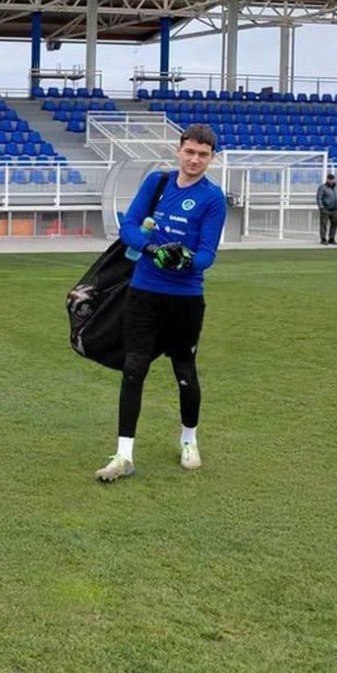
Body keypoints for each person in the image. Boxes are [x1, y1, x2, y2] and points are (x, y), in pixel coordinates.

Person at [95, 124, 228, 483]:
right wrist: (154, 249)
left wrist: (183, 259)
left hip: (185, 299)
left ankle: (189, 440)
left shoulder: (213, 198)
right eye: (190, 151)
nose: (194, 159)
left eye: (203, 154)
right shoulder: (157, 183)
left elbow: (207, 254)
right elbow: (130, 228)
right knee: (134, 369)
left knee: (184, 371)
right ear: (179, 150)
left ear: (211, 158)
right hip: (144, 293)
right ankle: (123, 455)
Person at [317, 173, 337, 244]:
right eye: (330, 179)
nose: (331, 181)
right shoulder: (322, 187)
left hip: (335, 209)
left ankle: (331, 238)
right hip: (326, 209)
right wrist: (321, 207)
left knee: (334, 224)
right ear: (327, 179)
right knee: (323, 224)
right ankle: (323, 239)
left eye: (333, 179)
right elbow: (319, 198)